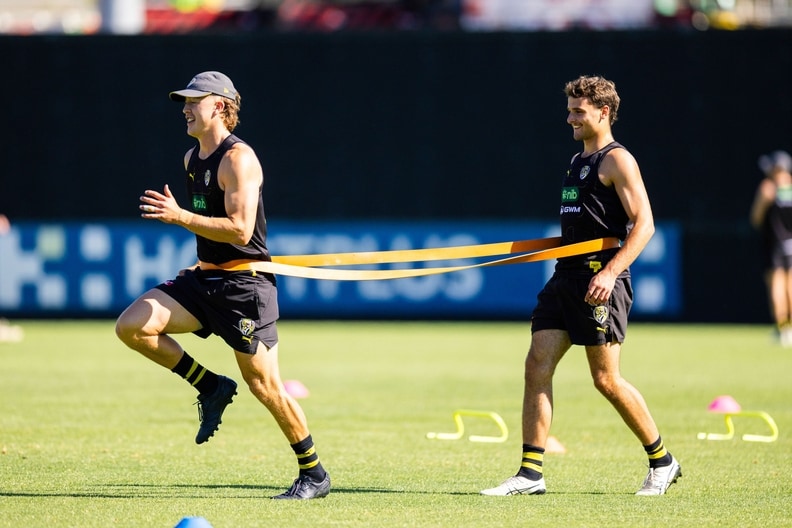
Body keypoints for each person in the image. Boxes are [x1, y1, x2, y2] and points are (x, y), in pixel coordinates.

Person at [115, 71, 330, 500]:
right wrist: (186, 222)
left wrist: (181, 217)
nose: (185, 108)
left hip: (244, 288)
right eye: (185, 100)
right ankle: (210, 385)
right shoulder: (192, 158)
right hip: (205, 279)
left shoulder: (239, 159)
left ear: (220, 106)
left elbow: (239, 229)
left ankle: (314, 474)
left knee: (265, 386)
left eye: (194, 100)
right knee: (133, 326)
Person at [481, 75, 681, 497]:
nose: (569, 117)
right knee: (536, 364)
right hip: (565, 277)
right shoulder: (576, 161)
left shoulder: (617, 160)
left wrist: (608, 274)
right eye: (569, 108)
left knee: (606, 380)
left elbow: (644, 225)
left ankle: (662, 460)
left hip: (599, 282)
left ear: (603, 112)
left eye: (578, 111)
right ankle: (530, 474)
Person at [749, 150, 792, 346]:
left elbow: (756, 219)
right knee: (790, 286)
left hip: (774, 245)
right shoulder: (790, 187)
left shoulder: (768, 188)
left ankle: (783, 328)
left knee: (777, 287)